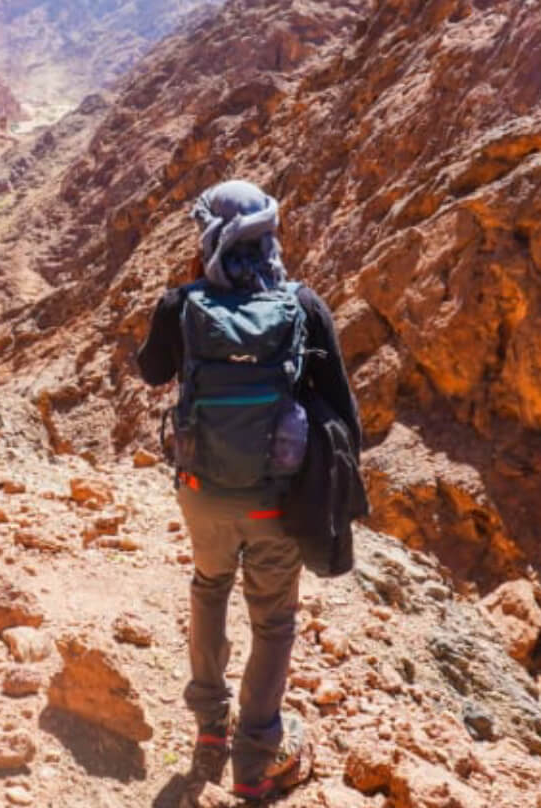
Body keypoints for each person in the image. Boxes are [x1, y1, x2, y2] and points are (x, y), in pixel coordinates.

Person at [135, 179, 363, 801]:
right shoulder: (302, 305)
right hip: (274, 497)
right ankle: (257, 752)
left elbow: (151, 370)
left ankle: (211, 728)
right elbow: (341, 408)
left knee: (209, 588)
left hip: (202, 488)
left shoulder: (181, 303)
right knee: (274, 621)